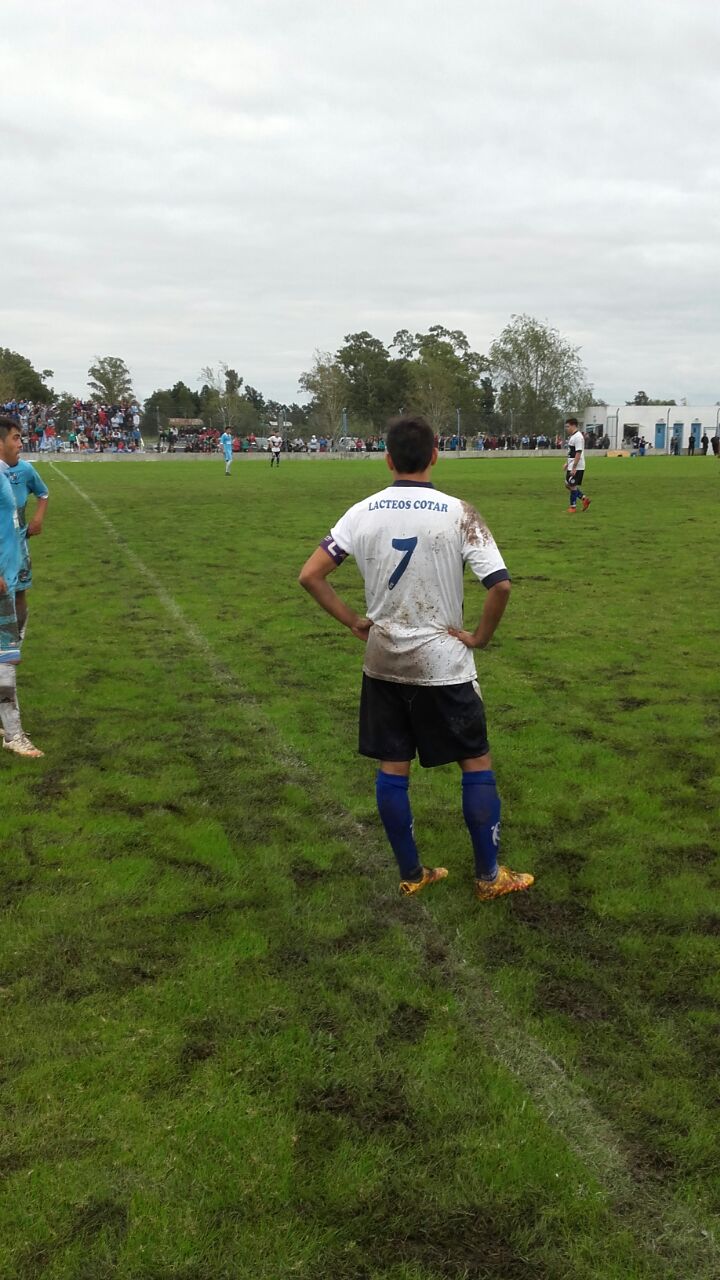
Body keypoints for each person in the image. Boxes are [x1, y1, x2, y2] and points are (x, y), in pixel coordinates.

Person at [298, 414, 533, 902]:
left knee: (393, 765)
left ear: (387, 459)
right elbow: (501, 585)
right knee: (475, 761)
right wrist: (479, 637)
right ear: (435, 455)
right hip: (443, 665)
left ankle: (412, 873)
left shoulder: (361, 512)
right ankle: (489, 877)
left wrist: (353, 621)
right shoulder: (459, 512)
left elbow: (310, 575)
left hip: (383, 660)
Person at [0, 416, 43, 756]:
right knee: (6, 659)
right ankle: (13, 735)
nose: (20, 443)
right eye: (15, 437)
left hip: (9, 575)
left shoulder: (6, 474)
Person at [564, 417, 591, 513]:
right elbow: (572, 452)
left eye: (568, 426)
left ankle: (573, 507)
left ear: (573, 426)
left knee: (572, 485)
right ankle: (584, 499)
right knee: (567, 484)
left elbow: (578, 453)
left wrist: (574, 467)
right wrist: (567, 463)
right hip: (572, 464)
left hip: (577, 466)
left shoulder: (578, 437)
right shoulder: (573, 436)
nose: (566, 429)